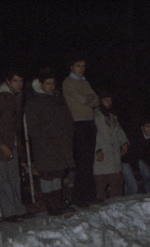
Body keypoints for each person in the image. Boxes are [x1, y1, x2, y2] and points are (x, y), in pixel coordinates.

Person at [24, 68, 74, 215]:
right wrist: (43, 140)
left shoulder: (58, 98)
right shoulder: (34, 102)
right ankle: (50, 204)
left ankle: (59, 202)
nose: (51, 86)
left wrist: (69, 135)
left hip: (60, 144)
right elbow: (33, 127)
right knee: (47, 174)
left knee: (58, 173)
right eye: (47, 83)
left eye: (53, 83)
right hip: (45, 145)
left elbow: (67, 119)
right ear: (40, 84)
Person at [0, 67, 27, 221]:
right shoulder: (0, 98)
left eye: (21, 81)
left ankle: (18, 208)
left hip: (13, 143)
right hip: (0, 146)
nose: (19, 84)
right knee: (4, 180)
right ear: (8, 81)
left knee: (14, 178)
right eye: (15, 81)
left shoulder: (17, 96)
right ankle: (9, 212)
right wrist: (2, 145)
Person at [62, 57, 99, 206]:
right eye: (78, 66)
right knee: (82, 161)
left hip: (89, 123)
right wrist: (88, 99)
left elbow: (96, 100)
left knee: (89, 161)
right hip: (78, 124)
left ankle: (89, 195)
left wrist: (89, 99)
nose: (81, 69)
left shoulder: (85, 82)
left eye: (83, 66)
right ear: (71, 67)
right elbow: (83, 100)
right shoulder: (68, 83)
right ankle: (79, 197)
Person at [92, 91, 129, 200]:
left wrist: (124, 143)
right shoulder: (94, 116)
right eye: (105, 99)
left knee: (117, 189)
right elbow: (91, 136)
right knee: (100, 190)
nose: (108, 102)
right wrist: (97, 150)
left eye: (110, 99)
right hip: (102, 157)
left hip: (114, 159)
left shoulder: (112, 116)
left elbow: (119, 131)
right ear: (100, 101)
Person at [122, 120, 150, 194]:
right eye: (147, 126)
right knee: (133, 188)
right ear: (142, 128)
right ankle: (128, 202)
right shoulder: (135, 137)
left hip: (137, 160)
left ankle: (149, 196)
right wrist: (137, 174)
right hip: (125, 161)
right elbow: (132, 156)